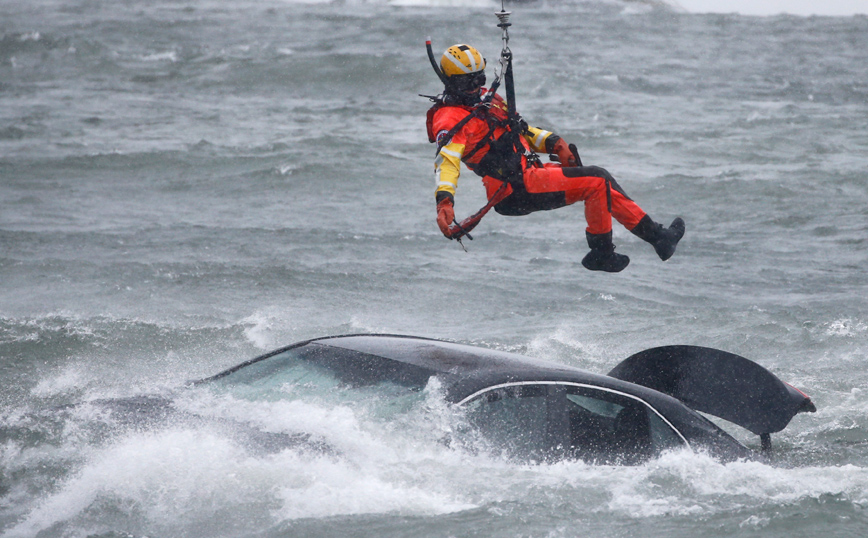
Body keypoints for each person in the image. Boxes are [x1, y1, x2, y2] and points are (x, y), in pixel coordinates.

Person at [426, 44, 685, 272]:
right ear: (451, 81)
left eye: (479, 79)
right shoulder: (449, 118)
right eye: (467, 83)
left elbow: (518, 130)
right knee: (597, 181)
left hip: (530, 173)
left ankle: (659, 238)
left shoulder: (487, 100)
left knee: (603, 183)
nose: (475, 87)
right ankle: (602, 253)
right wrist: (445, 201)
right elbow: (447, 162)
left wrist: (553, 142)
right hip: (513, 190)